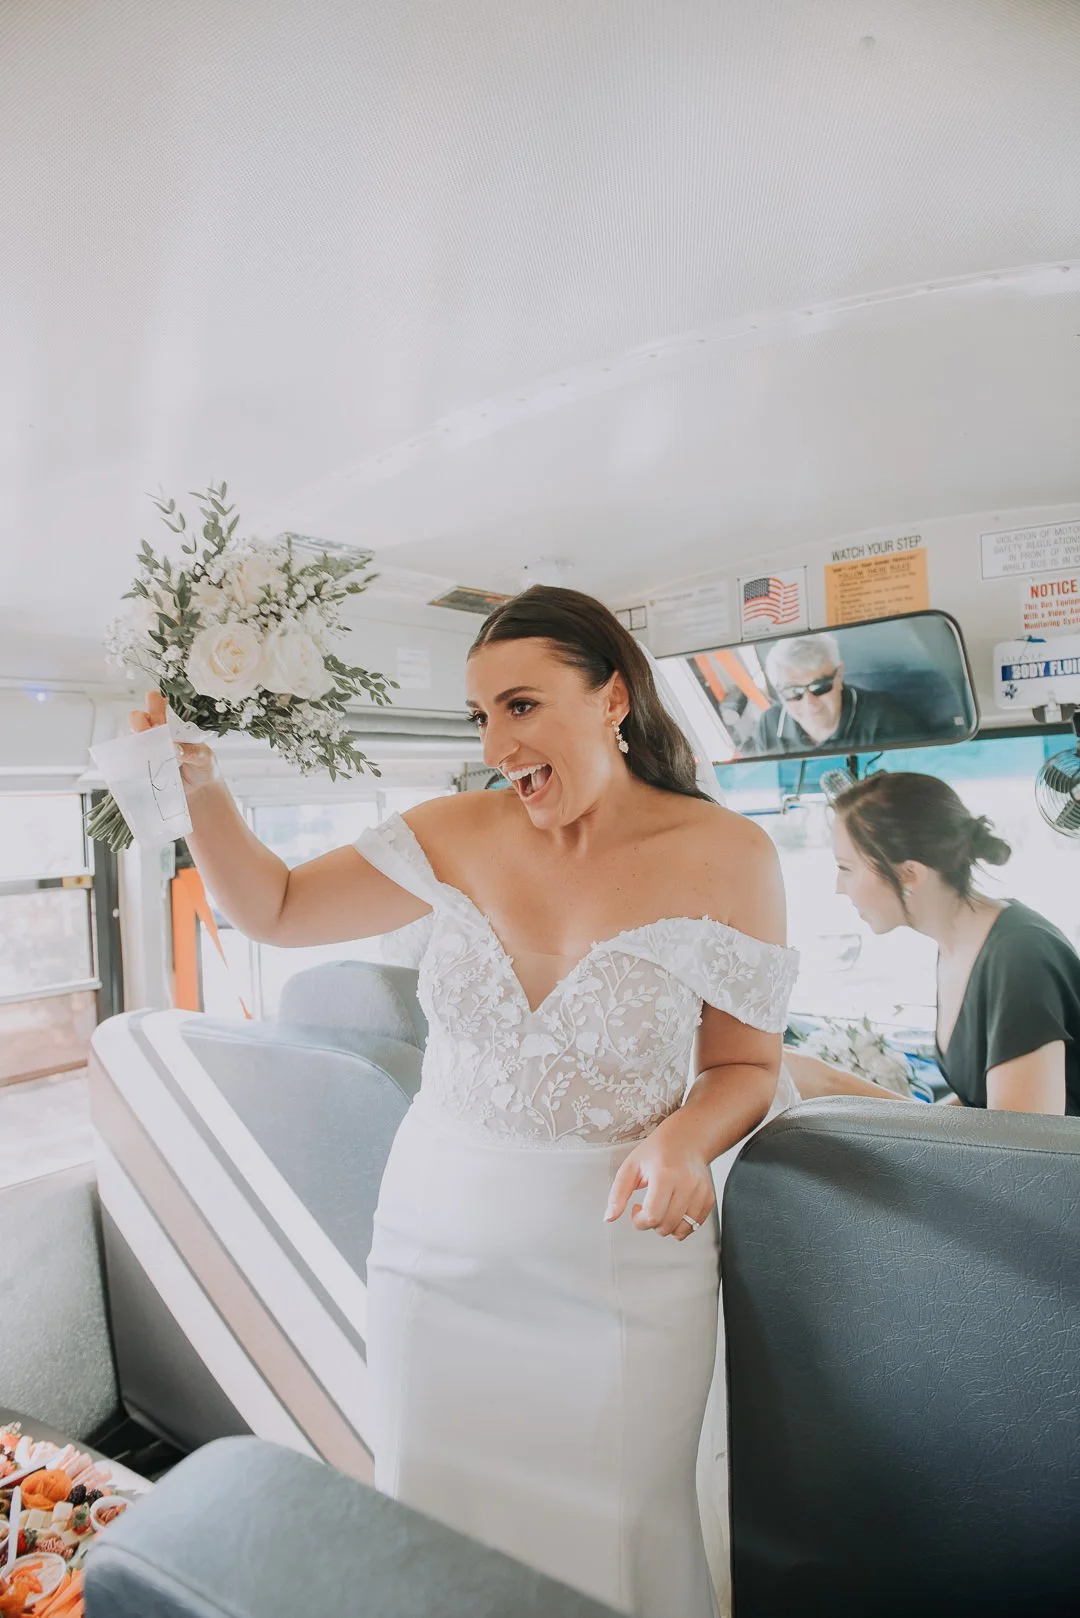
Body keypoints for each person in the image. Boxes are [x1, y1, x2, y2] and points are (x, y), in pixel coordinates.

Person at [132, 584, 798, 1618]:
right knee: (433, 1533)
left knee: (615, 1542)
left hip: (618, 1269)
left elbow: (747, 1067)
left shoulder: (730, 855)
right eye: (480, 715)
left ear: (612, 698)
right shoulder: (448, 831)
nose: (496, 743)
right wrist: (202, 789)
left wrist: (683, 1138)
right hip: (433, 1259)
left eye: (521, 706)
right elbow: (272, 906)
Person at [790, 771, 1080, 1115]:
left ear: (909, 873)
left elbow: (1022, 1148)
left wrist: (834, 1085)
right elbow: (978, 1103)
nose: (839, 886)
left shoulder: (1019, 957)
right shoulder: (959, 946)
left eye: (846, 868)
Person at [745, 632, 921, 755]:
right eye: (793, 692)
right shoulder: (769, 724)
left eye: (819, 687)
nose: (810, 702)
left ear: (839, 676)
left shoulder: (885, 718)